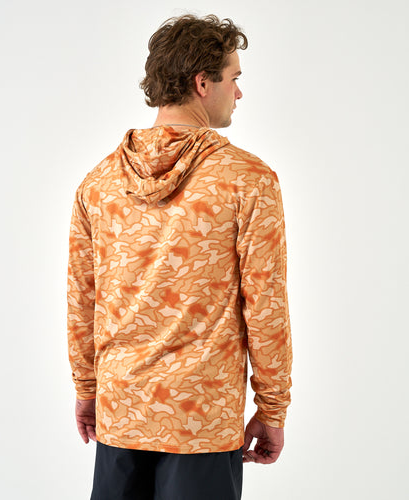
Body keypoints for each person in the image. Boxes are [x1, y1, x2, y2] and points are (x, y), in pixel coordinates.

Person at [67, 13, 292, 500]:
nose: (238, 93)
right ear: (202, 82)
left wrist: (87, 389)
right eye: (233, 78)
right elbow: (266, 305)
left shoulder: (98, 184)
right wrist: (272, 409)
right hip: (202, 419)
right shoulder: (248, 180)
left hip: (121, 411)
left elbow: (82, 298)